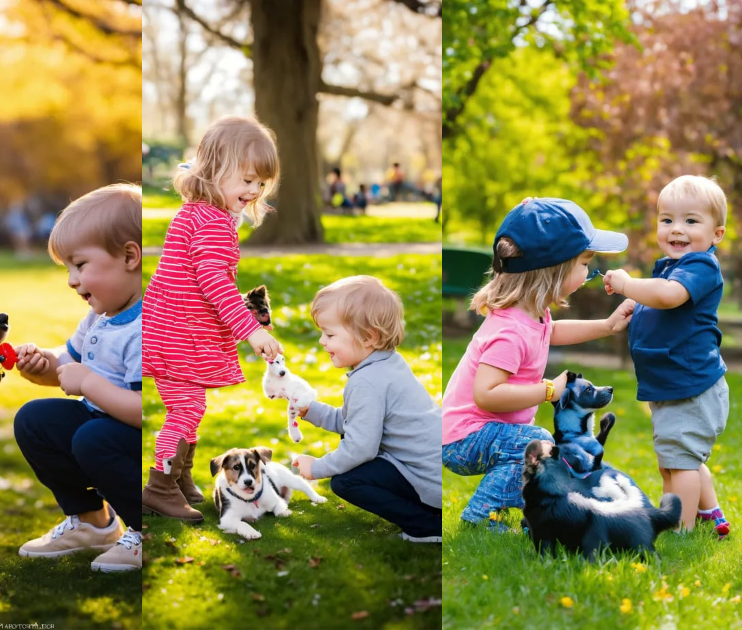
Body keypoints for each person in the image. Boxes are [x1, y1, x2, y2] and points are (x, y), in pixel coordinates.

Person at [442, 198, 635, 531]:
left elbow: (552, 333)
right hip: (462, 439)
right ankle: (480, 516)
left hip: (480, 434)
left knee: (533, 449)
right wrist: (548, 389)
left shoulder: (532, 315)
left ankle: (529, 513)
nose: (589, 271)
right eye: (584, 263)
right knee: (534, 442)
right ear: (554, 270)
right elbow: (486, 394)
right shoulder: (509, 331)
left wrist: (606, 325)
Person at [140, 116, 285, 522]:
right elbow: (212, 283)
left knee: (188, 405)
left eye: (261, 184)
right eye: (247, 180)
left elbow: (196, 284)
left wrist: (247, 306)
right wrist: (250, 331)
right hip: (179, 334)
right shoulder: (215, 224)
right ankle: (160, 487)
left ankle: (181, 476)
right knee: (186, 408)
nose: (254, 191)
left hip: (165, 327)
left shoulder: (195, 213)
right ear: (216, 169)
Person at [14, 184, 144, 572]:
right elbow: (66, 363)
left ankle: (144, 527)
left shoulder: (145, 328)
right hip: (106, 427)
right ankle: (92, 523)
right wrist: (42, 363)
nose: (72, 280)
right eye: (68, 269)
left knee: (94, 437)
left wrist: (89, 384)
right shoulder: (100, 318)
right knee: (34, 421)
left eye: (80, 265)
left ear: (129, 256)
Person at [603, 175, 732, 537]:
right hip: (672, 386)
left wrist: (630, 284)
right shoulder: (672, 267)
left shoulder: (701, 266)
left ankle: (679, 528)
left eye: (691, 221)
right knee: (675, 462)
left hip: (691, 388)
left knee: (682, 465)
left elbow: (670, 297)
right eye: (667, 220)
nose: (677, 229)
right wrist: (634, 302)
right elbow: (660, 300)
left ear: (716, 235)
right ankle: (710, 514)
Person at [292, 276, 442, 543]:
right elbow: (355, 423)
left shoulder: (367, 381)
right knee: (350, 459)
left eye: (329, 334)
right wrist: (311, 410)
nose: (321, 342)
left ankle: (428, 525)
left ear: (369, 337)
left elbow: (361, 447)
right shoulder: (388, 364)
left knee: (345, 481)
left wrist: (317, 468)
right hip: (432, 471)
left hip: (427, 480)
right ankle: (429, 515)